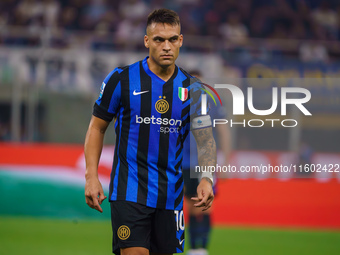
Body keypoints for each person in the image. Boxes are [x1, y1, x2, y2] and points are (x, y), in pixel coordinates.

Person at [84, 8, 216, 255]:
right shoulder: (121, 80)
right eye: (159, 39)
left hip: (171, 197)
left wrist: (207, 178)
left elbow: (206, 140)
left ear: (181, 41)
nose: (167, 46)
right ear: (147, 41)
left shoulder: (195, 90)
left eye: (172, 39)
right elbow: (96, 127)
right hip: (129, 192)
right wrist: (91, 176)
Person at [182, 71, 231, 255]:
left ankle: (202, 248)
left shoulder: (213, 103)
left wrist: (225, 162)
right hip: (185, 163)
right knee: (191, 206)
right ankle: (195, 248)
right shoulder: (180, 103)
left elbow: (224, 131)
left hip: (206, 163)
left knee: (206, 203)